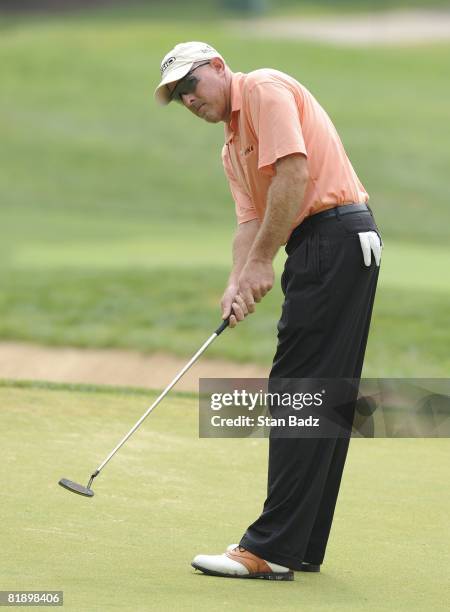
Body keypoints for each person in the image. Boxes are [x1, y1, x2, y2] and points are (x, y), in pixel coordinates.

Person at [154, 41, 382, 581]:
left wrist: (261, 266)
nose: (189, 99)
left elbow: (294, 175)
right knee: (322, 394)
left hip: (333, 236)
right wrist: (238, 280)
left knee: (296, 391)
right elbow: (249, 222)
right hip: (335, 245)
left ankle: (272, 548)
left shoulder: (262, 88)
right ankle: (299, 545)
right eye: (178, 95)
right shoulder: (231, 147)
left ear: (218, 67)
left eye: (192, 84)